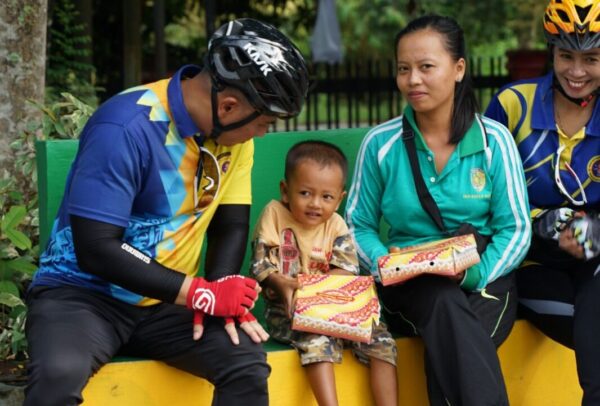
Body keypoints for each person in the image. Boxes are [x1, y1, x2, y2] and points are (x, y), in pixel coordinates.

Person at [25, 18, 309, 406]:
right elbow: (95, 246)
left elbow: (230, 225)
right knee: (57, 376)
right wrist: (201, 294)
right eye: (262, 123)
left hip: (168, 301)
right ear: (228, 105)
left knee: (245, 362)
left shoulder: (231, 135)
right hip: (83, 295)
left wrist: (221, 292)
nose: (261, 133)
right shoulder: (124, 126)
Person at [345, 15, 532, 406]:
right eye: (403, 69)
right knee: (443, 306)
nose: (413, 80)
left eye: (426, 67)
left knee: (454, 340)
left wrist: (475, 272)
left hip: (484, 277)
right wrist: (384, 265)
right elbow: (356, 224)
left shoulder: (493, 140)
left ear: (458, 68)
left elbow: (515, 229)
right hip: (410, 286)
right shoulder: (380, 143)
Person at [485, 0, 600, 403]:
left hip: (593, 259)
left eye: (592, 58)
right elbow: (482, 196)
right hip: (528, 258)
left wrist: (593, 232)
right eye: (566, 55)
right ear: (551, 51)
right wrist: (537, 221)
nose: (577, 71)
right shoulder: (512, 104)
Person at [250, 140, 398, 406]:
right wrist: (284, 284)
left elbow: (346, 269)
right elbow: (262, 267)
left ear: (339, 199)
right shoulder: (274, 214)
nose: (315, 204)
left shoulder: (336, 225)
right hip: (288, 314)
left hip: (335, 309)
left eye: (326, 197)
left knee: (382, 339)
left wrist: (319, 292)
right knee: (317, 338)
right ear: (286, 191)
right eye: (305, 193)